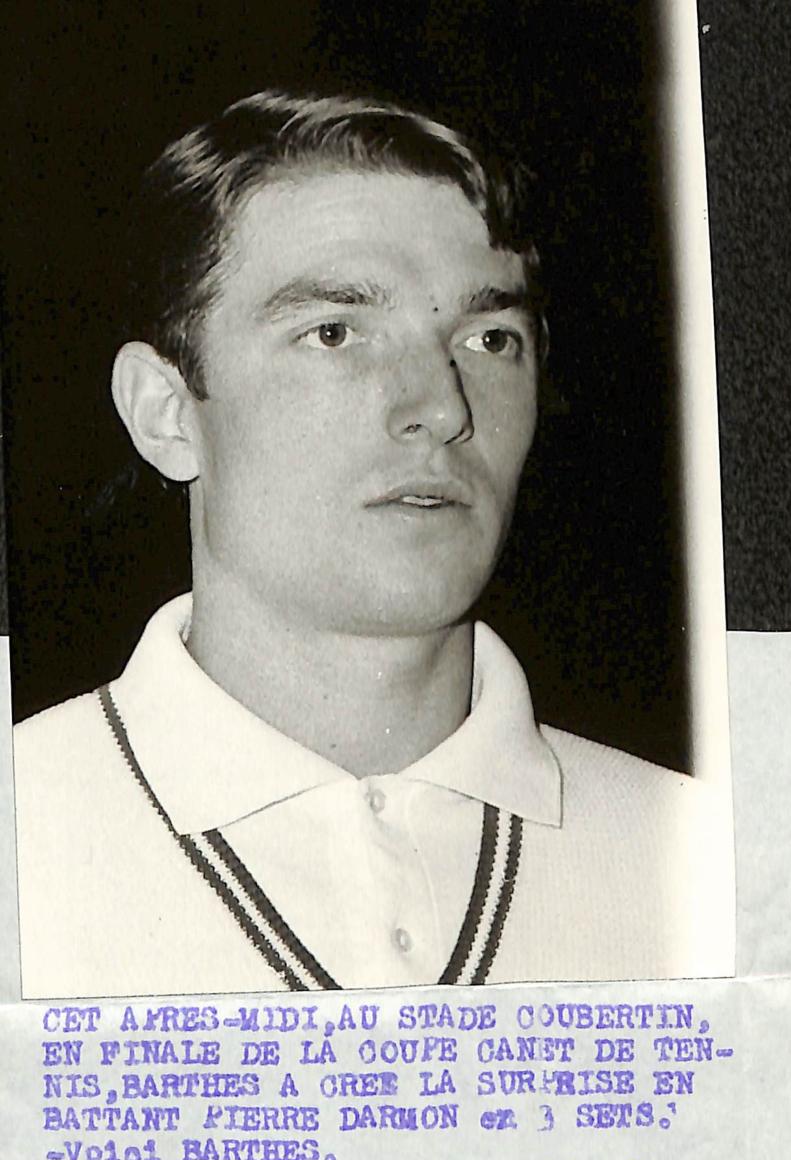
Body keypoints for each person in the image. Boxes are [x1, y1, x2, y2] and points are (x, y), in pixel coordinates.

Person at [13, 89, 733, 999]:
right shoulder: (24, 834)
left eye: (490, 337)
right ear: (166, 414)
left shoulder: (707, 861)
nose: (442, 406)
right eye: (335, 333)